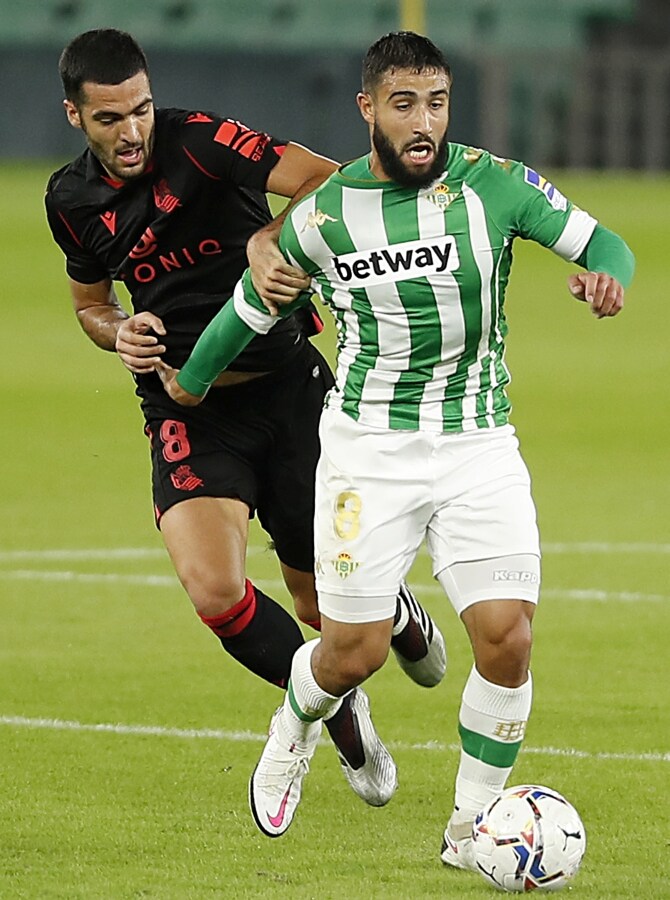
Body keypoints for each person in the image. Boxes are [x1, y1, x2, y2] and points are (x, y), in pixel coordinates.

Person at [159, 29, 635, 860]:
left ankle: (471, 828)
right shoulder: (328, 213)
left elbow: (606, 243)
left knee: (508, 636)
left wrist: (607, 278)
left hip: (477, 442)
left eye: (438, 103)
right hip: (369, 453)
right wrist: (190, 384)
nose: (424, 122)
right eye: (405, 103)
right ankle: (293, 728)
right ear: (368, 107)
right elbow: (249, 309)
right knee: (353, 652)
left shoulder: (495, 186)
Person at [44, 28, 447, 812]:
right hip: (185, 407)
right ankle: (335, 708)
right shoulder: (71, 200)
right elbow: (92, 305)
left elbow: (327, 181)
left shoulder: (201, 142)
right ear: (73, 116)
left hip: (287, 392)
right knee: (212, 586)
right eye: (109, 119)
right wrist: (117, 332)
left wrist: (272, 237)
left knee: (316, 602)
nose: (131, 133)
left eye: (141, 110)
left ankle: (386, 610)